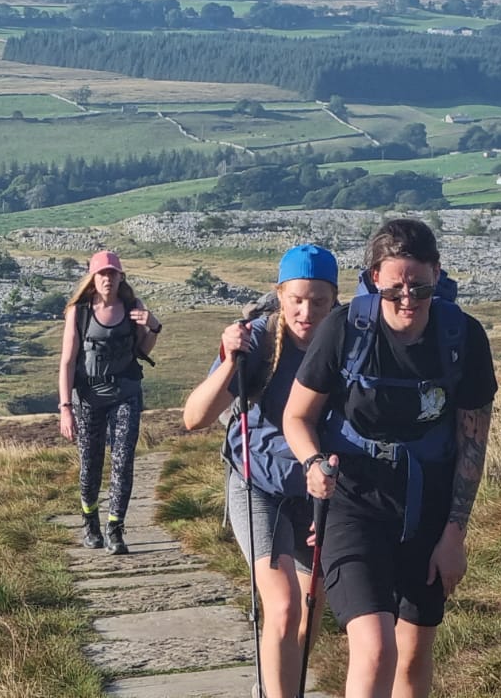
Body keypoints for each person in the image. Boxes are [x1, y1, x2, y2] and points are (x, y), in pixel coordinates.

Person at [283, 218, 496, 698]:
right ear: (373, 276)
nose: (408, 299)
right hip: (352, 503)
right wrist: (314, 464)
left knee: (415, 651)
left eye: (419, 287)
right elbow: (296, 416)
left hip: (427, 508)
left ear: (437, 276)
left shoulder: (464, 339)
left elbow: (473, 444)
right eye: (396, 286)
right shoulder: (345, 329)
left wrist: (453, 538)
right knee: (376, 646)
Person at [181, 244, 341, 698]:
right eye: (296, 299)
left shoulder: (347, 342)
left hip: (319, 494)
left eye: (319, 301)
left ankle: (271, 686)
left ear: (335, 299)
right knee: (285, 606)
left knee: (311, 612)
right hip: (258, 485)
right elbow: (194, 418)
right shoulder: (257, 342)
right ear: (280, 294)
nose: (306, 311)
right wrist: (231, 360)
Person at [58, 249, 161, 555]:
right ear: (92, 278)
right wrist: (65, 408)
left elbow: (143, 349)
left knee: (123, 460)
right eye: (102, 274)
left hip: (126, 393)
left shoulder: (133, 307)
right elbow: (67, 362)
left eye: (112, 274)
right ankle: (89, 522)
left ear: (120, 277)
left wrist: (153, 326)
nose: (107, 279)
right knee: (90, 463)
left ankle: (115, 528)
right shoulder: (79, 312)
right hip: (88, 397)